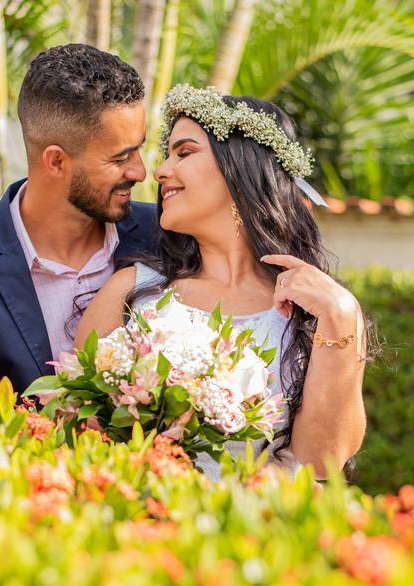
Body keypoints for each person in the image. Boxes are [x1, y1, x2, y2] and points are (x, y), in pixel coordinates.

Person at [75, 85, 367, 479]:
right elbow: (78, 438)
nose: (160, 172)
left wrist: (341, 315)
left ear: (240, 167)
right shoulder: (130, 292)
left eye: (184, 152)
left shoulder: (324, 309)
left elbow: (324, 460)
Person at [0, 44, 160, 394]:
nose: (140, 172)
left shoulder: (165, 233)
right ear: (56, 162)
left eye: (139, 149)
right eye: (120, 158)